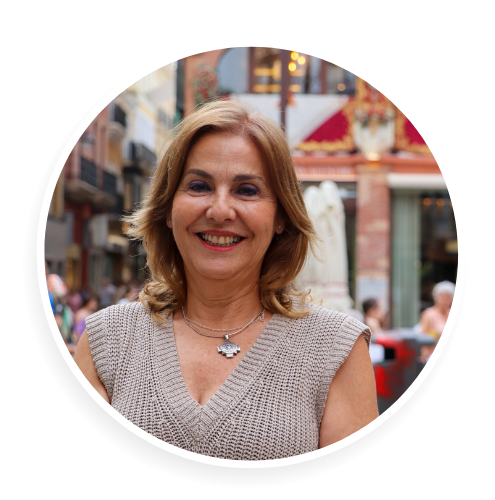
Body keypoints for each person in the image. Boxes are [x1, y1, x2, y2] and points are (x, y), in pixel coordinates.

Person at [74, 100, 379, 460]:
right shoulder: (106, 340)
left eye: (247, 190)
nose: (219, 210)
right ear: (168, 209)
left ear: (281, 216)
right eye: (199, 186)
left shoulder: (335, 349)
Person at [418, 280, 455, 362]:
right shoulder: (428, 314)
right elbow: (422, 338)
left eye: (447, 297)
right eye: (441, 297)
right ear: (435, 297)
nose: (444, 300)